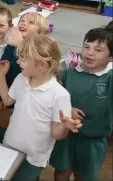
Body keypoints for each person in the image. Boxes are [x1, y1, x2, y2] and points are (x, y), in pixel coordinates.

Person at [0, 35, 82, 181]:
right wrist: (0, 76)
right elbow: (7, 100)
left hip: (33, 159)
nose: (18, 61)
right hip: (10, 147)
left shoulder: (60, 95)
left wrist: (64, 126)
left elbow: (57, 134)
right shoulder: (21, 79)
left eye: (23, 58)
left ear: (42, 65)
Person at [50, 27, 113, 181]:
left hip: (93, 141)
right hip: (66, 137)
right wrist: (68, 109)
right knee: (61, 172)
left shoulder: (109, 78)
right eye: (87, 47)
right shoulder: (68, 74)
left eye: (98, 50)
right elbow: (53, 99)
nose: (90, 53)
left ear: (111, 57)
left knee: (84, 176)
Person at [0, 12, 49, 142]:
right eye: (22, 20)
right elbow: (0, 71)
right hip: (6, 99)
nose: (23, 23)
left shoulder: (42, 52)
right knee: (1, 133)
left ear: (40, 33)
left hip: (27, 105)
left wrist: (20, 45)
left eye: (30, 22)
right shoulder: (11, 47)